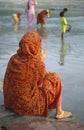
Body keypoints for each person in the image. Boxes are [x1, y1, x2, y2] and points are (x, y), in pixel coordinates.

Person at [3, 31, 72, 119]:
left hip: (11, 103)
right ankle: (59, 112)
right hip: (26, 107)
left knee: (43, 78)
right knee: (55, 77)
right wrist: (41, 60)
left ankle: (54, 106)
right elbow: (42, 80)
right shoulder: (37, 64)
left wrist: (40, 61)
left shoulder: (13, 58)